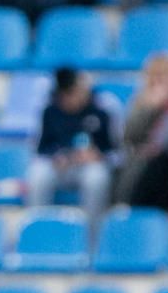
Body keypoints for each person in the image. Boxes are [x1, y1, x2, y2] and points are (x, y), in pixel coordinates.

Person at [26, 68, 117, 222]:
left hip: (89, 167)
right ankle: (39, 229)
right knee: (38, 175)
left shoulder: (101, 110)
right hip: (60, 167)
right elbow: (41, 149)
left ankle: (92, 237)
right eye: (66, 94)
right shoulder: (50, 112)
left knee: (96, 178)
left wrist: (97, 154)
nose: (71, 98)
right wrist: (58, 156)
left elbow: (113, 150)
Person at [113, 54, 168, 211]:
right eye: (156, 76)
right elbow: (129, 136)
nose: (161, 82)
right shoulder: (141, 103)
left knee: (160, 162)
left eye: (166, 76)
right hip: (142, 165)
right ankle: (129, 212)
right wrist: (151, 109)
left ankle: (130, 208)